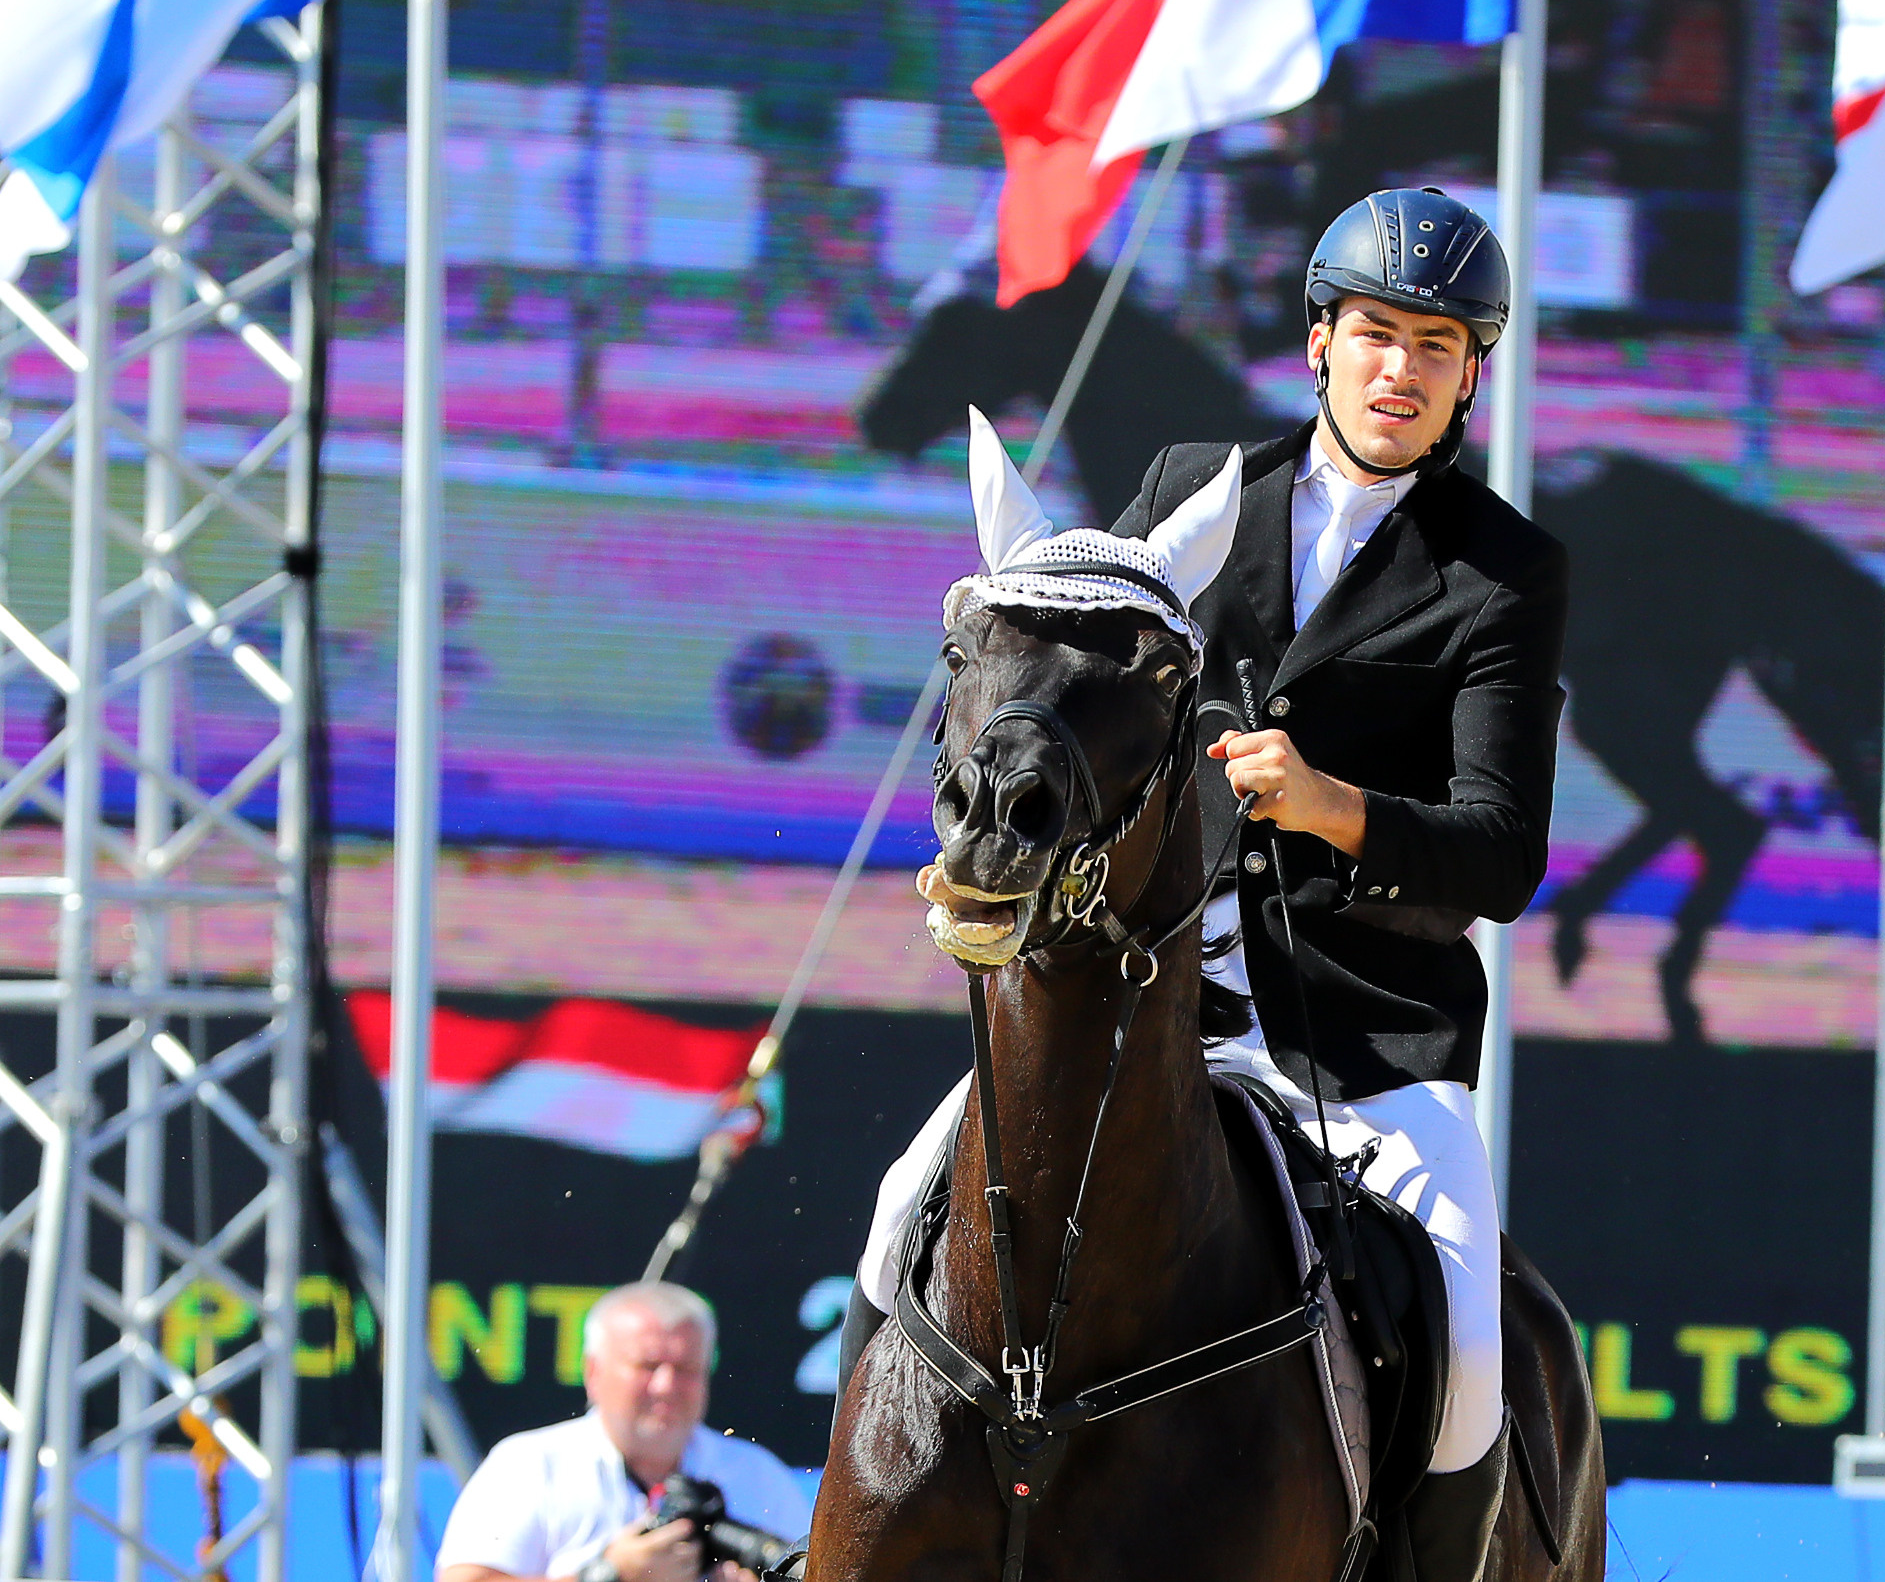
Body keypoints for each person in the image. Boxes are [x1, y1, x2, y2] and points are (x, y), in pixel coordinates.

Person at [844, 186, 1565, 1582]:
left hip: (1363, 1043)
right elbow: (1087, 662)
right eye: (1376, 333)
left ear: (1472, 371)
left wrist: (1331, 805)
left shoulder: (1502, 573)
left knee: (1471, 1348)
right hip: (1138, 998)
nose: (1401, 368)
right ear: (1321, 340)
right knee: (896, 1217)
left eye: (1437, 344)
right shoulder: (1195, 490)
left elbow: (1499, 848)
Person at [436, 1282, 810, 1582]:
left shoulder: (757, 1474)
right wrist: (610, 1574)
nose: (666, 1386)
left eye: (685, 1369)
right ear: (593, 1372)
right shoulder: (530, 1464)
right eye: (647, 1366)